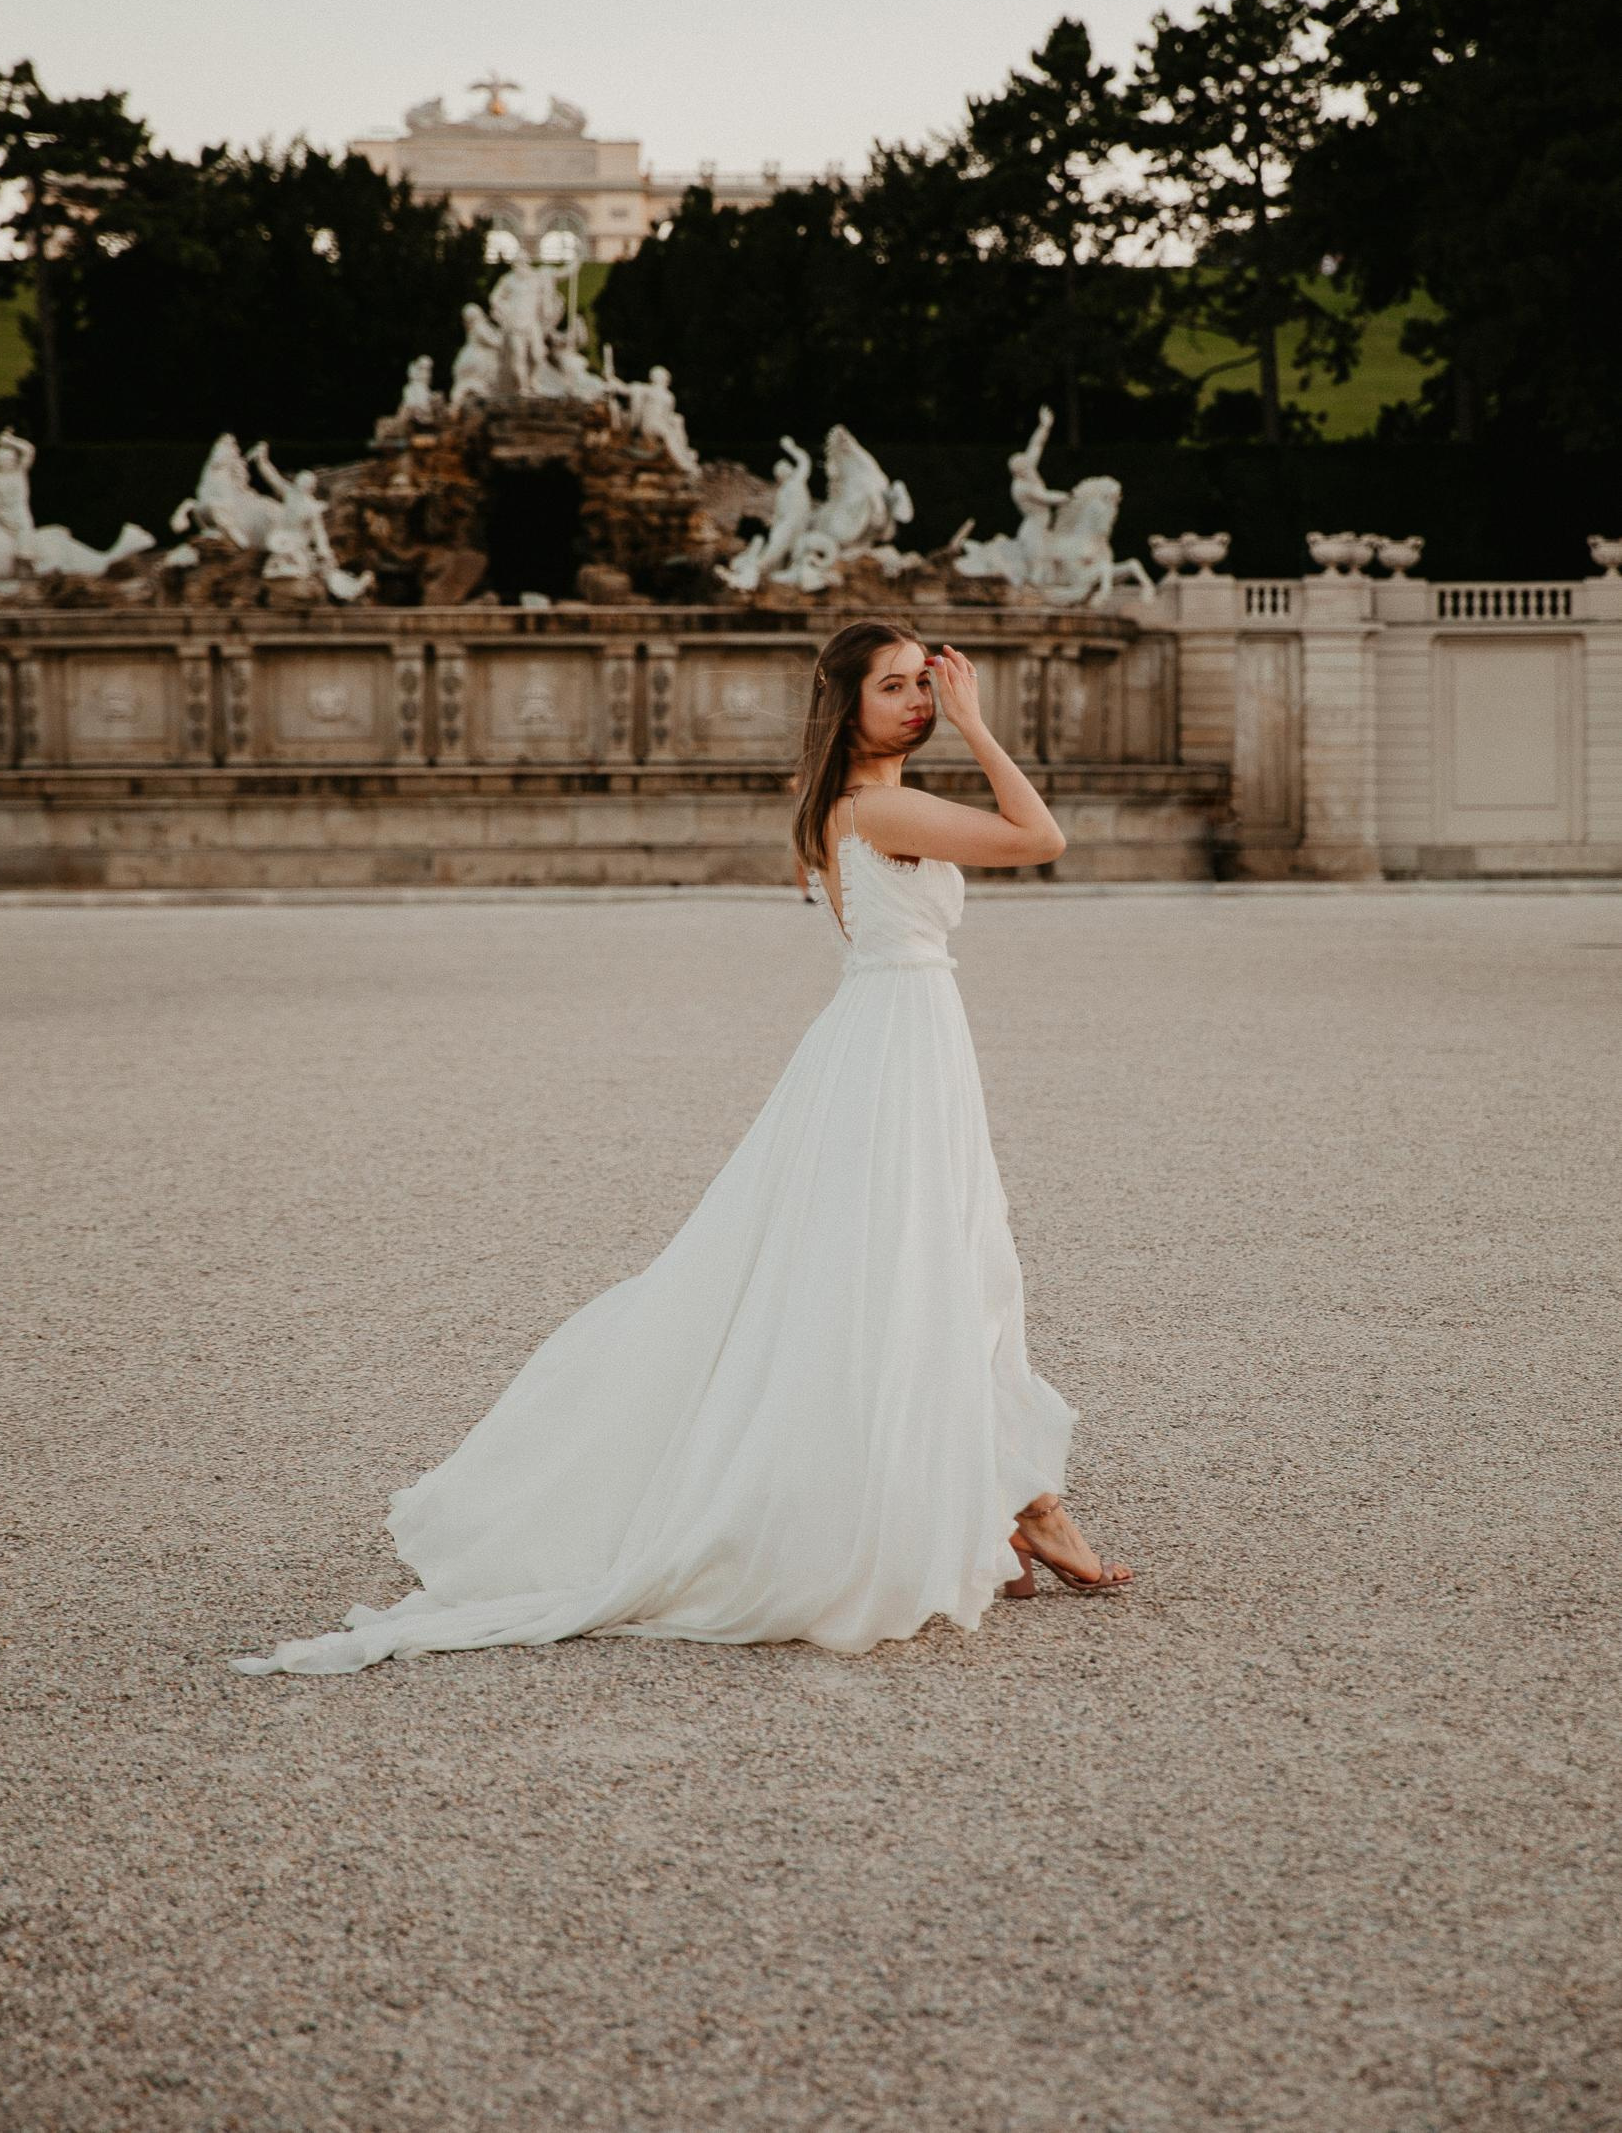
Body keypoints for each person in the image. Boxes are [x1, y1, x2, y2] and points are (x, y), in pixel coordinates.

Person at [231, 618, 1131, 1677]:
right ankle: (1021, 1504)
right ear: (846, 705)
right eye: (894, 688)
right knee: (939, 1266)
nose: (919, 702)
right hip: (896, 1046)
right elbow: (1041, 839)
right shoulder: (879, 805)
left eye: (922, 686)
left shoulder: (834, 808)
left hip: (887, 1040)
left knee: (932, 1269)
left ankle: (1004, 1501)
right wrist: (982, 728)